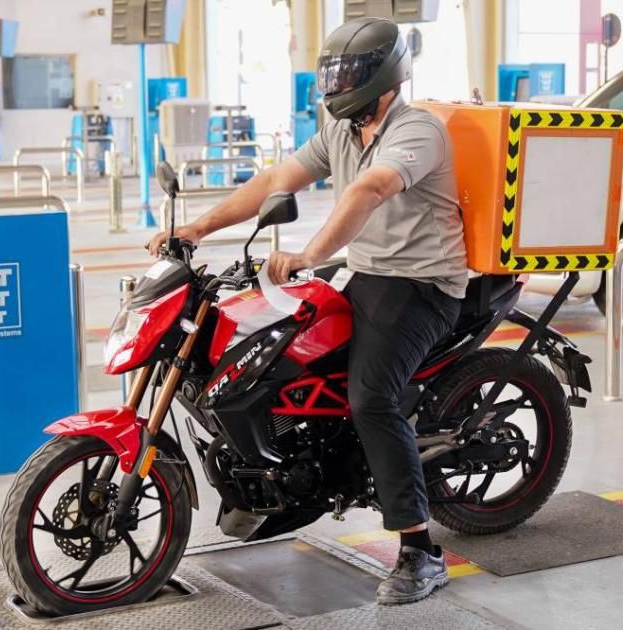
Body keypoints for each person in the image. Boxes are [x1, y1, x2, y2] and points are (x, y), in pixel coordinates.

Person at [147, 17, 468, 605]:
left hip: (422, 284)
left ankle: (420, 551)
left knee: (370, 398)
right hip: (366, 272)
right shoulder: (341, 130)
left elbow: (369, 190)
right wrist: (198, 227)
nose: (336, 86)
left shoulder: (417, 129)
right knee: (278, 352)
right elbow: (277, 179)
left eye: (348, 75)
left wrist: (310, 255)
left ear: (383, 77)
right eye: (333, 75)